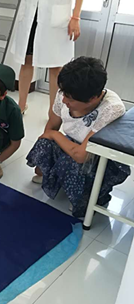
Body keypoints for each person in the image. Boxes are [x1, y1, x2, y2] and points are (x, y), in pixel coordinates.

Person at [27, 57, 130, 218]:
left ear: (93, 98)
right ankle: (60, 180)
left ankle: (86, 194)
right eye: (63, 93)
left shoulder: (111, 109)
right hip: (73, 143)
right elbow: (51, 126)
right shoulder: (66, 92)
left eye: (70, 99)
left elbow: (82, 155)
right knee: (46, 143)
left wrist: (55, 135)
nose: (63, 100)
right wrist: (44, 162)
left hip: (96, 156)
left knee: (74, 164)